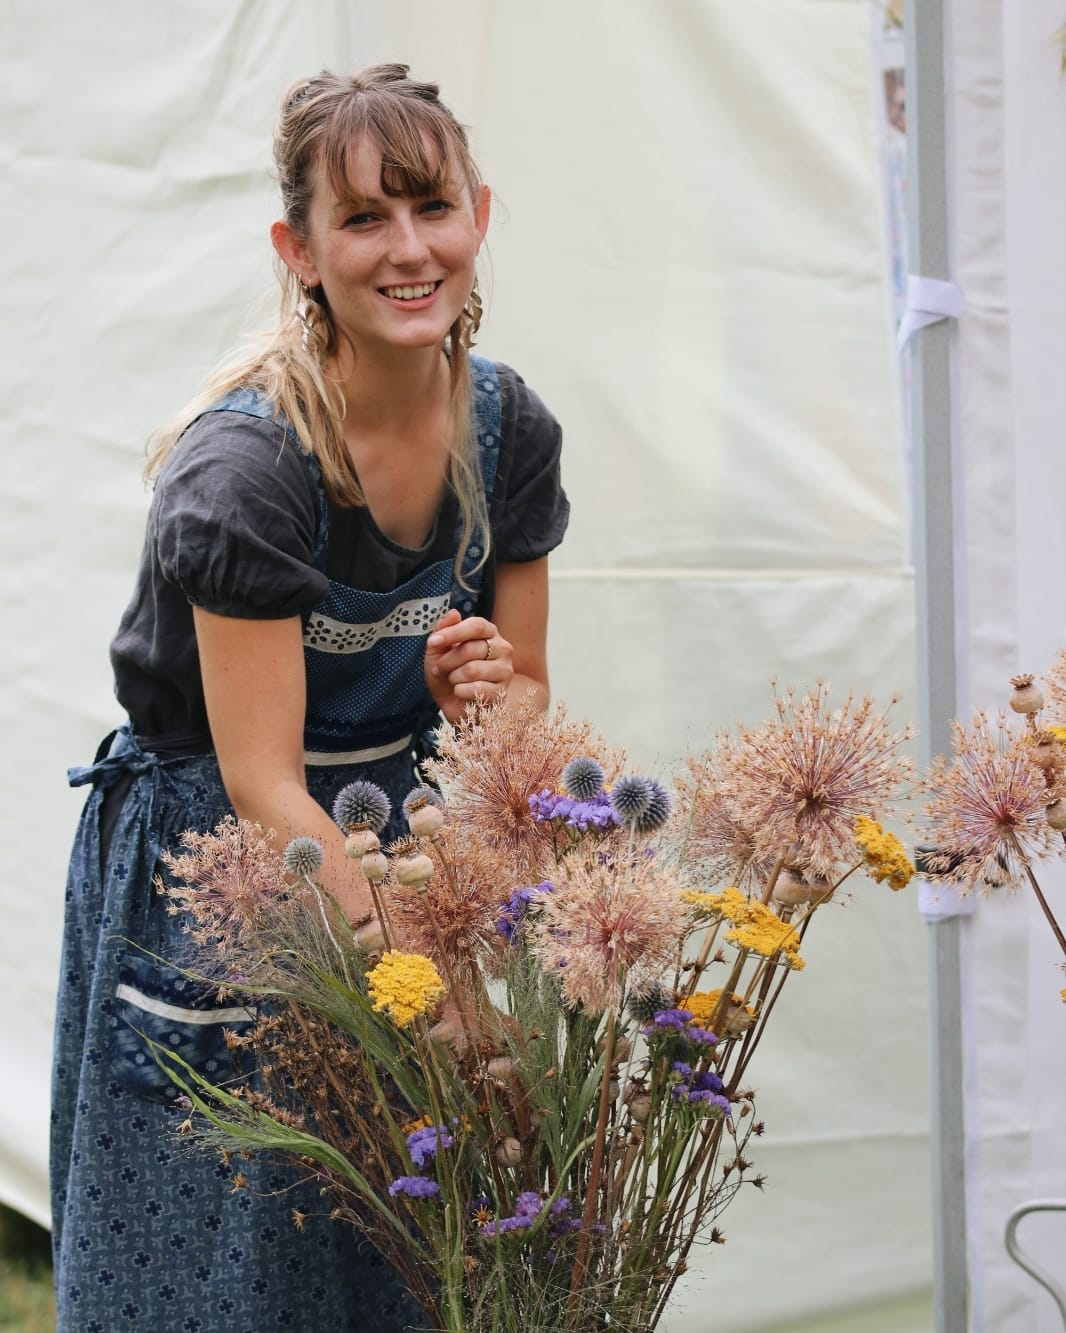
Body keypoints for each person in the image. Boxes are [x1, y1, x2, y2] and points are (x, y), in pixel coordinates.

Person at [50, 64, 568, 1332]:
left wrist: (489, 692)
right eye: (362, 219)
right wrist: (420, 982)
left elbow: (526, 712)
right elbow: (262, 781)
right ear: (298, 249)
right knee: (224, 1262)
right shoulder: (247, 468)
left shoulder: (509, 432)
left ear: (480, 215)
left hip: (396, 845)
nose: (408, 249)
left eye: (430, 207)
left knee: (410, 1245)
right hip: (226, 862)